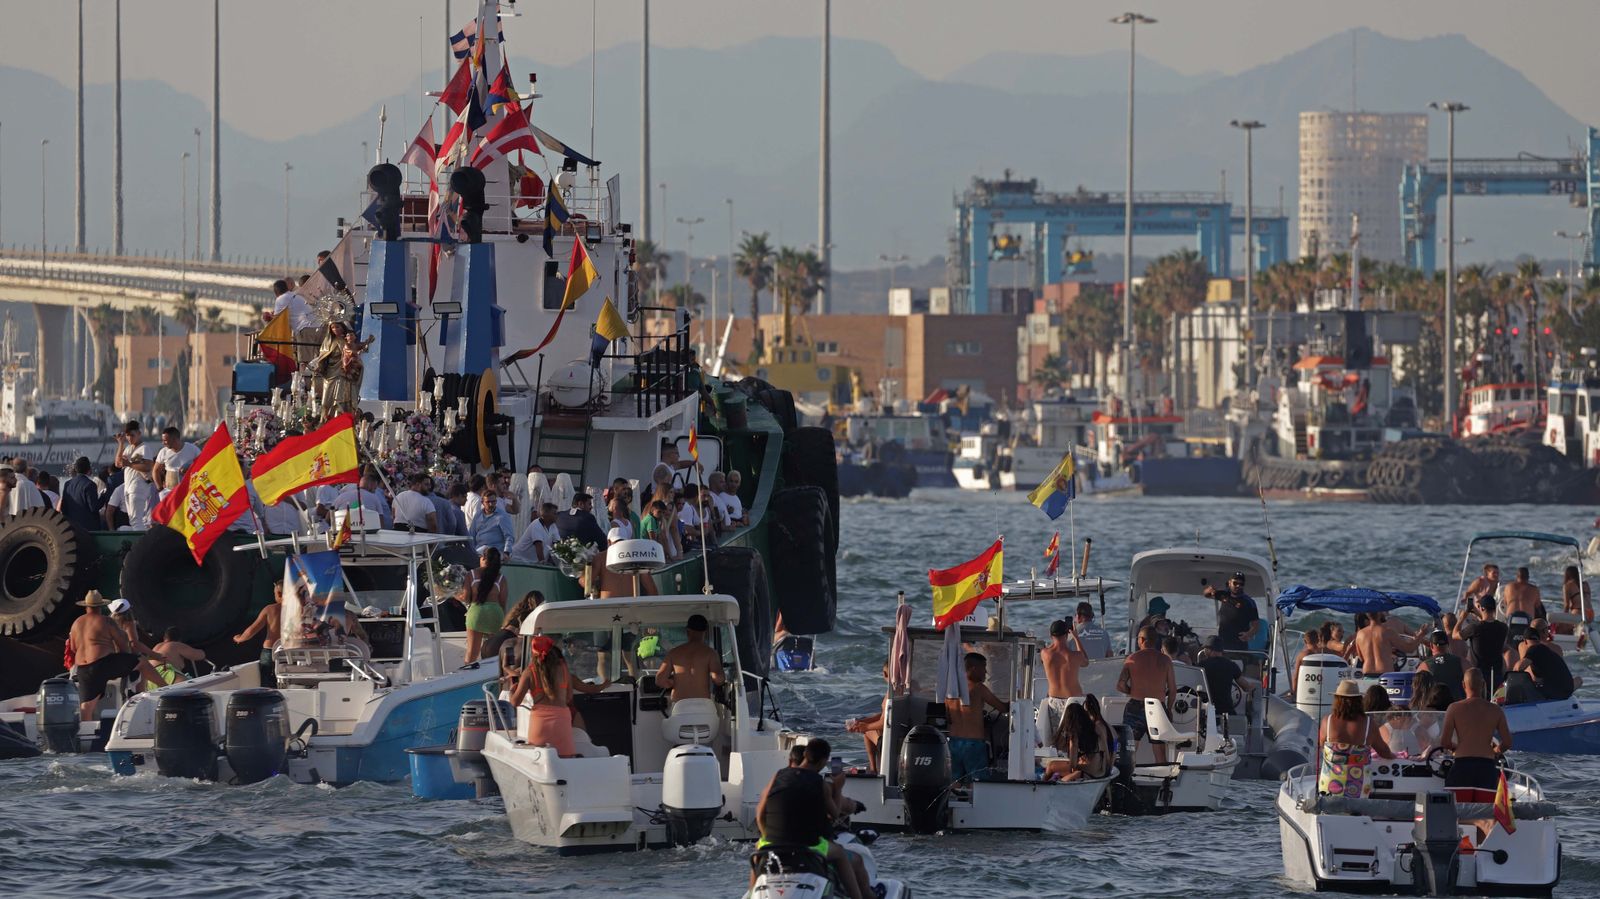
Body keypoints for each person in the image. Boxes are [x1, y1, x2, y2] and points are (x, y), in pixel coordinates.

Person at [752, 738, 869, 899]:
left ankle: (752, 892)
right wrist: (838, 787)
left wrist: (768, 837)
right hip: (807, 846)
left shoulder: (778, 776)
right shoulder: (819, 784)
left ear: (805, 754)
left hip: (773, 843)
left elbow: (760, 813)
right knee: (841, 854)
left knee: (758, 855)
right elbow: (834, 815)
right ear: (823, 761)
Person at [1440, 669, 1512, 808]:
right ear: (1483, 685)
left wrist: (1457, 748)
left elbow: (1444, 742)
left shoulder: (1454, 708)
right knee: (1484, 816)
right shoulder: (1496, 710)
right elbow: (1508, 742)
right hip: (1486, 768)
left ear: (1463, 685)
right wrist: (1495, 751)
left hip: (1462, 768)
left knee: (1458, 814)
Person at [68, 591, 143, 720]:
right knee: (142, 662)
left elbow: (73, 648)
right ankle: (158, 690)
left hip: (82, 669)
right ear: (100, 607)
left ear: (86, 607)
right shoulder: (106, 621)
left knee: (86, 707)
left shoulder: (76, 623)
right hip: (102, 664)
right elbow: (123, 645)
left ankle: (85, 738)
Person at [1317, 679, 1395, 797]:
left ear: (1337, 700)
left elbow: (1322, 745)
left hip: (1329, 784)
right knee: (1356, 813)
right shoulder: (1369, 724)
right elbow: (1384, 752)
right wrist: (1396, 756)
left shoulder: (1326, 722)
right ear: (1359, 700)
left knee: (1329, 812)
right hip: (1358, 786)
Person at [1116, 625, 1177, 765]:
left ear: (1142, 640)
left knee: (1129, 750)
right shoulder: (1165, 660)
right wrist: (1168, 709)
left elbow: (1120, 685)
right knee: (1159, 752)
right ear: (1155, 640)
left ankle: (1125, 781)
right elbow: (1173, 690)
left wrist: (1134, 691)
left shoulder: (1132, 659)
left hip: (1135, 708)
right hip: (1157, 709)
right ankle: (1163, 782)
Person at [510, 635, 577, 757]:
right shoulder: (563, 669)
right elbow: (569, 697)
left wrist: (511, 691)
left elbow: (515, 702)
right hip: (562, 721)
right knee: (565, 762)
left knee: (540, 761)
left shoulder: (529, 672)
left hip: (539, 723)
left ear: (533, 652)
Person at [947, 652, 1007, 783]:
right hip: (973, 744)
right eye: (983, 667)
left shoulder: (950, 689)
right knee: (977, 783)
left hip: (953, 743)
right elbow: (1002, 708)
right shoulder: (979, 688)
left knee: (954, 782)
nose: (986, 672)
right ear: (974, 668)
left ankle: (955, 803)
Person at [1036, 619, 1088, 742]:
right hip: (1074, 702)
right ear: (1067, 634)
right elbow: (1086, 661)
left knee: (1058, 738)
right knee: (1074, 739)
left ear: (1051, 635)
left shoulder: (1045, 654)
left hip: (1054, 701)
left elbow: (1051, 647)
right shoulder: (1075, 656)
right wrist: (1076, 637)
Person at [657, 614, 725, 704]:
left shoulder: (673, 653)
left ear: (687, 631)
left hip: (680, 707)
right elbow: (718, 679)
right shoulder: (710, 653)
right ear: (705, 631)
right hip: (703, 707)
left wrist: (672, 683)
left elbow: (660, 680)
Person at [461, 547, 507, 663]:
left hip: (477, 613)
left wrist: (452, 594)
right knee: (493, 652)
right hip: (495, 614)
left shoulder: (471, 574)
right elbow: (502, 602)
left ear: (483, 558)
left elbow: (466, 598)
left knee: (472, 653)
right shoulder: (501, 578)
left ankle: (466, 677)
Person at [234, 583, 285, 687]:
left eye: (274, 593)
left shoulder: (270, 609)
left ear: (279, 594)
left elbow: (252, 630)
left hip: (270, 652)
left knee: (267, 684)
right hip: (288, 652)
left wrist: (240, 638)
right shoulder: (296, 609)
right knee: (286, 682)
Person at [1043, 704, 1106, 782]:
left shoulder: (1074, 735)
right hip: (1100, 771)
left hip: (1087, 773)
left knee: (1050, 766)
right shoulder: (1094, 729)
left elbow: (1072, 765)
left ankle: (1041, 785)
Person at [1198, 636, 1254, 719]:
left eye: (1205, 649)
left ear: (1210, 650)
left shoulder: (1200, 666)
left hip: (1206, 713)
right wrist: (1252, 686)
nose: (1204, 651)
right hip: (1227, 712)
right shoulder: (1231, 665)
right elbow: (1246, 688)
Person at [1512, 629, 1575, 701]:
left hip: (1557, 693)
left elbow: (1519, 668)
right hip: (1566, 691)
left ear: (1525, 641)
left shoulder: (1534, 649)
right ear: (1539, 639)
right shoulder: (1546, 650)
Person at [1204, 573, 1259, 651]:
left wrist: (1248, 634)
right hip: (1222, 642)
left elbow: (1256, 625)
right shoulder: (1224, 595)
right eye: (1235, 583)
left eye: (1241, 584)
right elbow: (1206, 594)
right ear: (1229, 583)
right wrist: (1209, 590)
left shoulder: (1249, 602)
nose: (1238, 586)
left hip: (1239, 643)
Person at [1352, 612, 1420, 676]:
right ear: (1380, 614)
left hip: (1367, 672)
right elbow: (1409, 649)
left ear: (1367, 615)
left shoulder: (1360, 634)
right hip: (1385, 673)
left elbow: (1361, 658)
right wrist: (1421, 635)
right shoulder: (1388, 632)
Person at [1468, 595, 1510, 690]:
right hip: (1497, 674)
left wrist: (1462, 618)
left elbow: (1455, 635)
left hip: (1479, 676)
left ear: (1481, 608)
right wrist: (1480, 614)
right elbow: (1489, 625)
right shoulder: (1503, 627)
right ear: (1495, 608)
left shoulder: (1474, 627)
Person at [1417, 630, 1467, 702]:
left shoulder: (1424, 666)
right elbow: (1474, 679)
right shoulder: (1462, 662)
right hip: (1457, 706)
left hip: (1435, 708)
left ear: (1431, 645)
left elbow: (1417, 689)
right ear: (1448, 644)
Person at [59, 456, 103, 533]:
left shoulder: (67, 484)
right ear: (89, 469)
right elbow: (94, 508)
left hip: (72, 528)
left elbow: (63, 508)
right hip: (89, 529)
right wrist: (103, 497)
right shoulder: (90, 484)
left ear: (75, 469)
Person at [1284, 628, 1325, 698]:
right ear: (1318, 640)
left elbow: (1296, 676)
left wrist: (1293, 692)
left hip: (1306, 688)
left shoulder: (1302, 655)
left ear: (1305, 641)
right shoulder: (1323, 653)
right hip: (1321, 686)